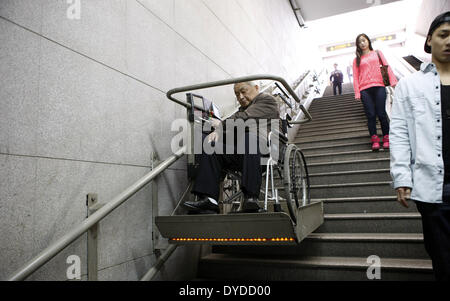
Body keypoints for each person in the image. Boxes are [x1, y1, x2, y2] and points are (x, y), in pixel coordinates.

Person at [390, 11, 450, 281]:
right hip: (433, 187)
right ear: (429, 41)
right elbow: (400, 132)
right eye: (443, 35)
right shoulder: (409, 85)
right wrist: (402, 176)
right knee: (443, 258)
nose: (449, 41)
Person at [183, 81, 280, 214]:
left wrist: (221, 125)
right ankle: (209, 200)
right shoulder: (241, 110)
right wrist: (216, 133)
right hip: (242, 153)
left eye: (243, 91)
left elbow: (244, 118)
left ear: (256, 88)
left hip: (264, 151)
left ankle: (251, 198)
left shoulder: (267, 100)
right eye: (236, 94)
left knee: (249, 138)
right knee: (210, 144)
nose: (240, 96)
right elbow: (234, 127)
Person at [352, 34, 398, 151]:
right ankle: (375, 140)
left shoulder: (377, 53)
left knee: (381, 114)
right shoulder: (356, 60)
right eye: (359, 42)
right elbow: (356, 77)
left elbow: (387, 67)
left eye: (364, 40)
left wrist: (393, 81)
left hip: (379, 86)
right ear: (357, 45)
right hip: (364, 89)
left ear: (368, 41)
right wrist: (357, 92)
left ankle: (387, 139)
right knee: (371, 115)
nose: (362, 43)